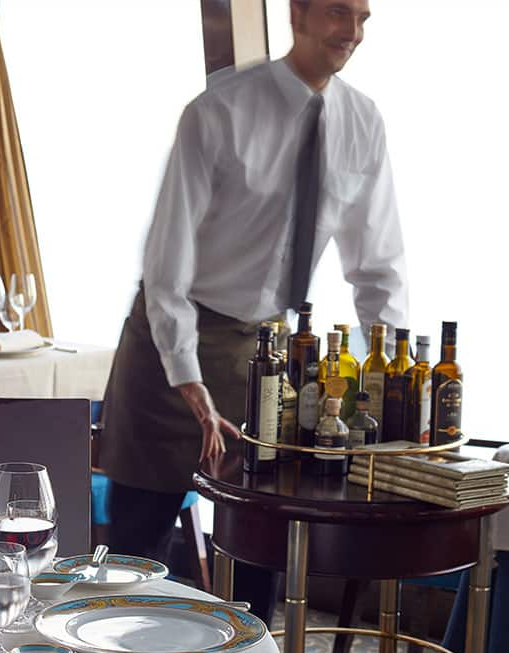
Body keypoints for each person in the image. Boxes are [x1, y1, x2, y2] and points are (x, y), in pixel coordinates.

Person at [98, 0, 408, 585]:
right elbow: (167, 265)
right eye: (339, 13)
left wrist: (391, 375)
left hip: (265, 354)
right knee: (137, 554)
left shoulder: (363, 122)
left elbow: (378, 265)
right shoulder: (218, 112)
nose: (353, 32)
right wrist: (188, 380)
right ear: (298, 13)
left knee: (262, 546)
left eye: (364, 18)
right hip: (172, 346)